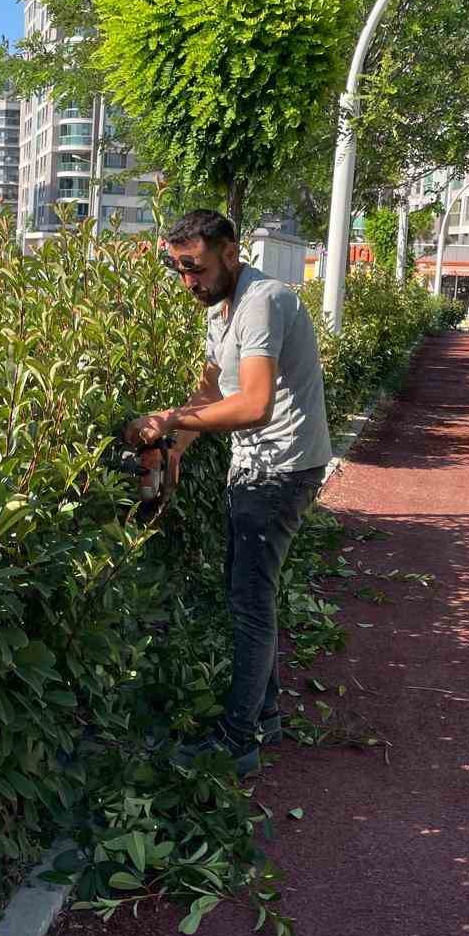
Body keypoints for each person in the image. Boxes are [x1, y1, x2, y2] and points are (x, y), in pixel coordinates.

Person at [125, 209, 332, 776]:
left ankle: (238, 740)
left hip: (280, 468)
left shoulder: (262, 301)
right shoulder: (223, 308)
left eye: (194, 267)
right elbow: (209, 390)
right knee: (246, 595)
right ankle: (262, 716)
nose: (188, 280)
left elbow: (254, 404)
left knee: (249, 603)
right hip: (258, 467)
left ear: (230, 253)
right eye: (178, 270)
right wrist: (172, 451)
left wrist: (165, 420)